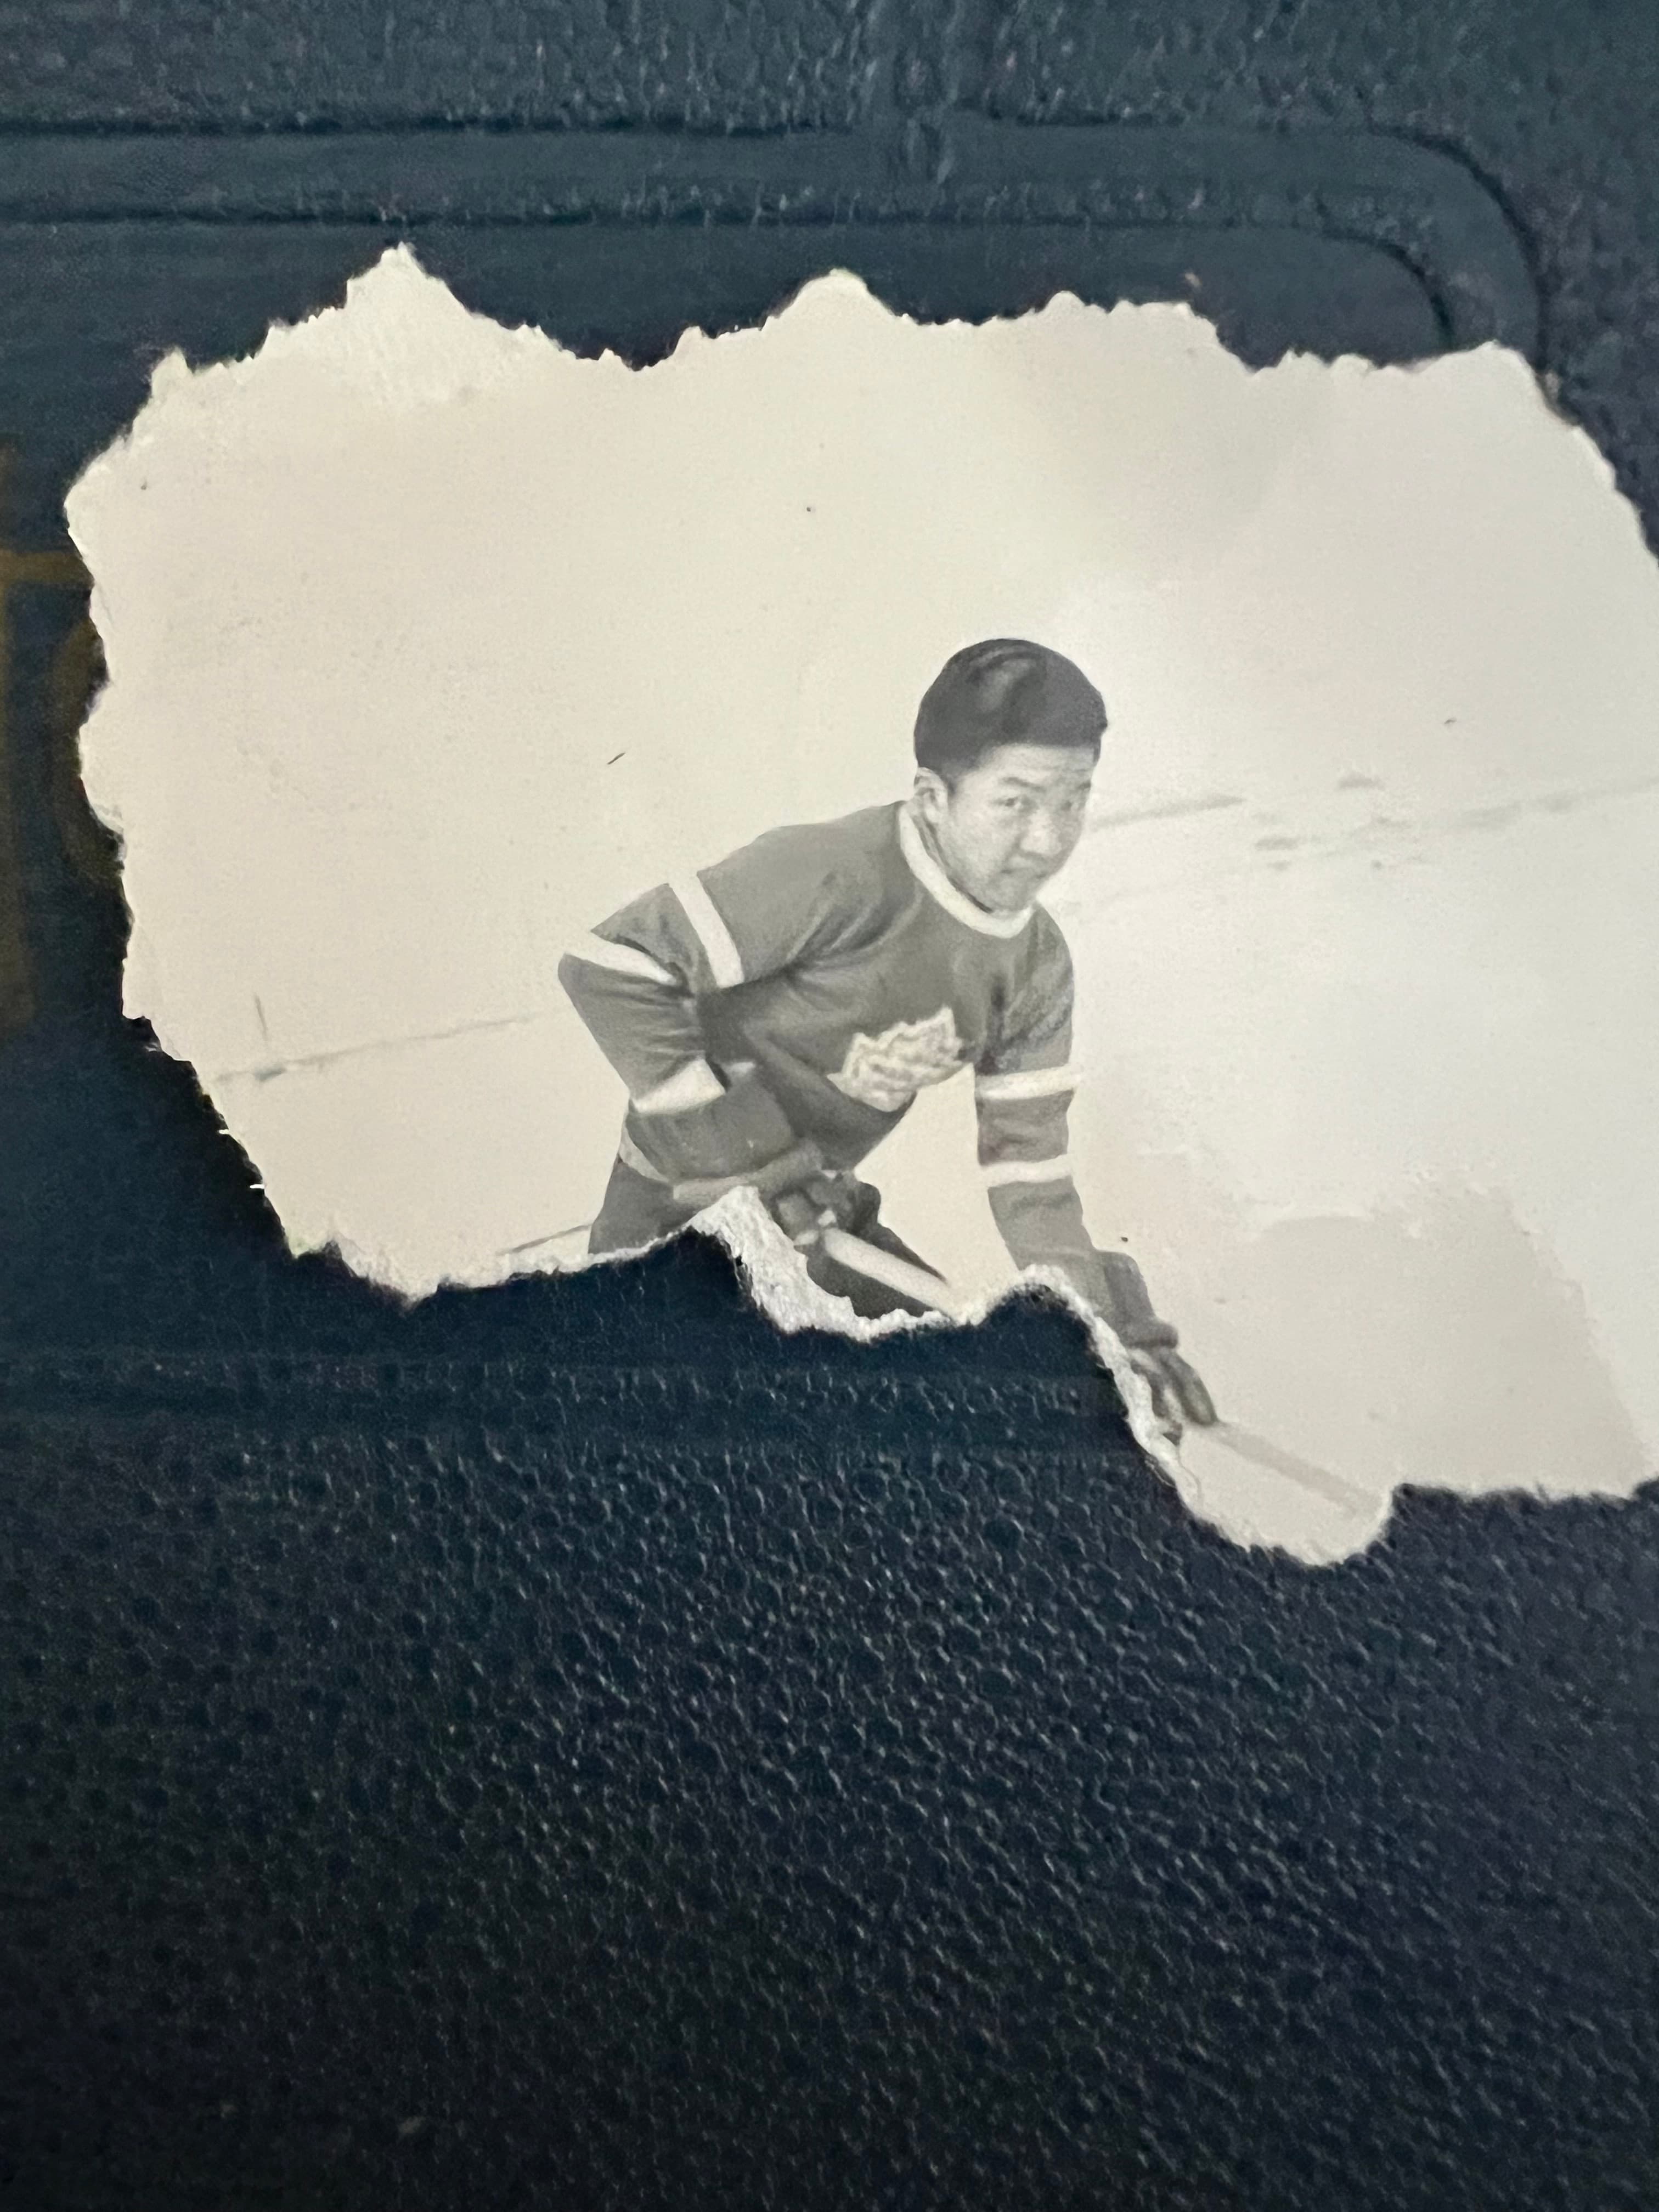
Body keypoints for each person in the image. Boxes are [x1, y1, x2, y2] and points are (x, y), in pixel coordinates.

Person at [558, 639, 1214, 1432]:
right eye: (1017, 802)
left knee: (973, 1404)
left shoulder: (1036, 968)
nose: (1048, 838)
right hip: (674, 1221)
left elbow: (1030, 1180)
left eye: (1073, 800)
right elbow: (610, 966)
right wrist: (739, 1152)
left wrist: (1101, 1336)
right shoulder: (838, 872)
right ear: (934, 797)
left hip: (822, 1223)